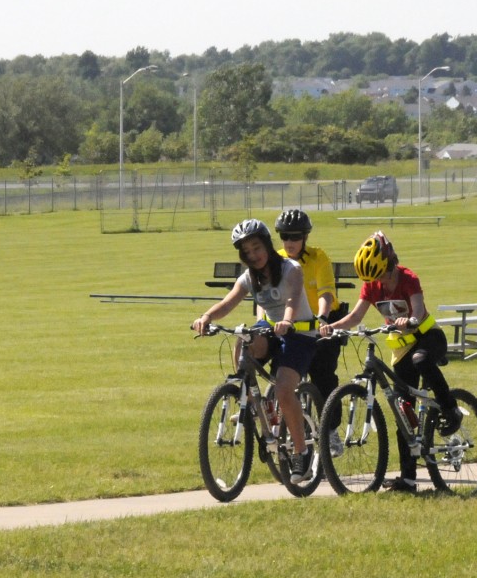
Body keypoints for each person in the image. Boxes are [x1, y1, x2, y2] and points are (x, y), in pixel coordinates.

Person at [319, 231, 460, 492]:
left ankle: (450, 408)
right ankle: (408, 480)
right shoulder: (371, 285)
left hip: (428, 337)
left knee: (421, 360)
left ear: (390, 263)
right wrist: (331, 327)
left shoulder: (408, 278)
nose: (378, 283)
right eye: (373, 279)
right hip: (401, 350)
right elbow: (355, 316)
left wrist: (411, 320)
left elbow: (417, 308)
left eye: (381, 276)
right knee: (402, 411)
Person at [192, 219, 318, 482]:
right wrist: (206, 317)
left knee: (284, 389)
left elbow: (294, 298)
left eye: (256, 248)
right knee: (243, 338)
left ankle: (301, 452)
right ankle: (244, 393)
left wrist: (287, 319)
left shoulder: (290, 268)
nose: (253, 255)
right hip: (271, 329)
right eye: (246, 252)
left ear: (267, 245)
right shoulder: (249, 277)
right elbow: (228, 303)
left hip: (300, 332)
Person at [273, 209, 348, 456]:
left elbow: (326, 292)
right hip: (293, 326)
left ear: (305, 237)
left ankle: (331, 431)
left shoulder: (318, 257)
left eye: (295, 237)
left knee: (324, 377)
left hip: (321, 324)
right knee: (278, 373)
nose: (289, 242)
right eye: (285, 237)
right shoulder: (277, 259)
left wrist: (323, 318)